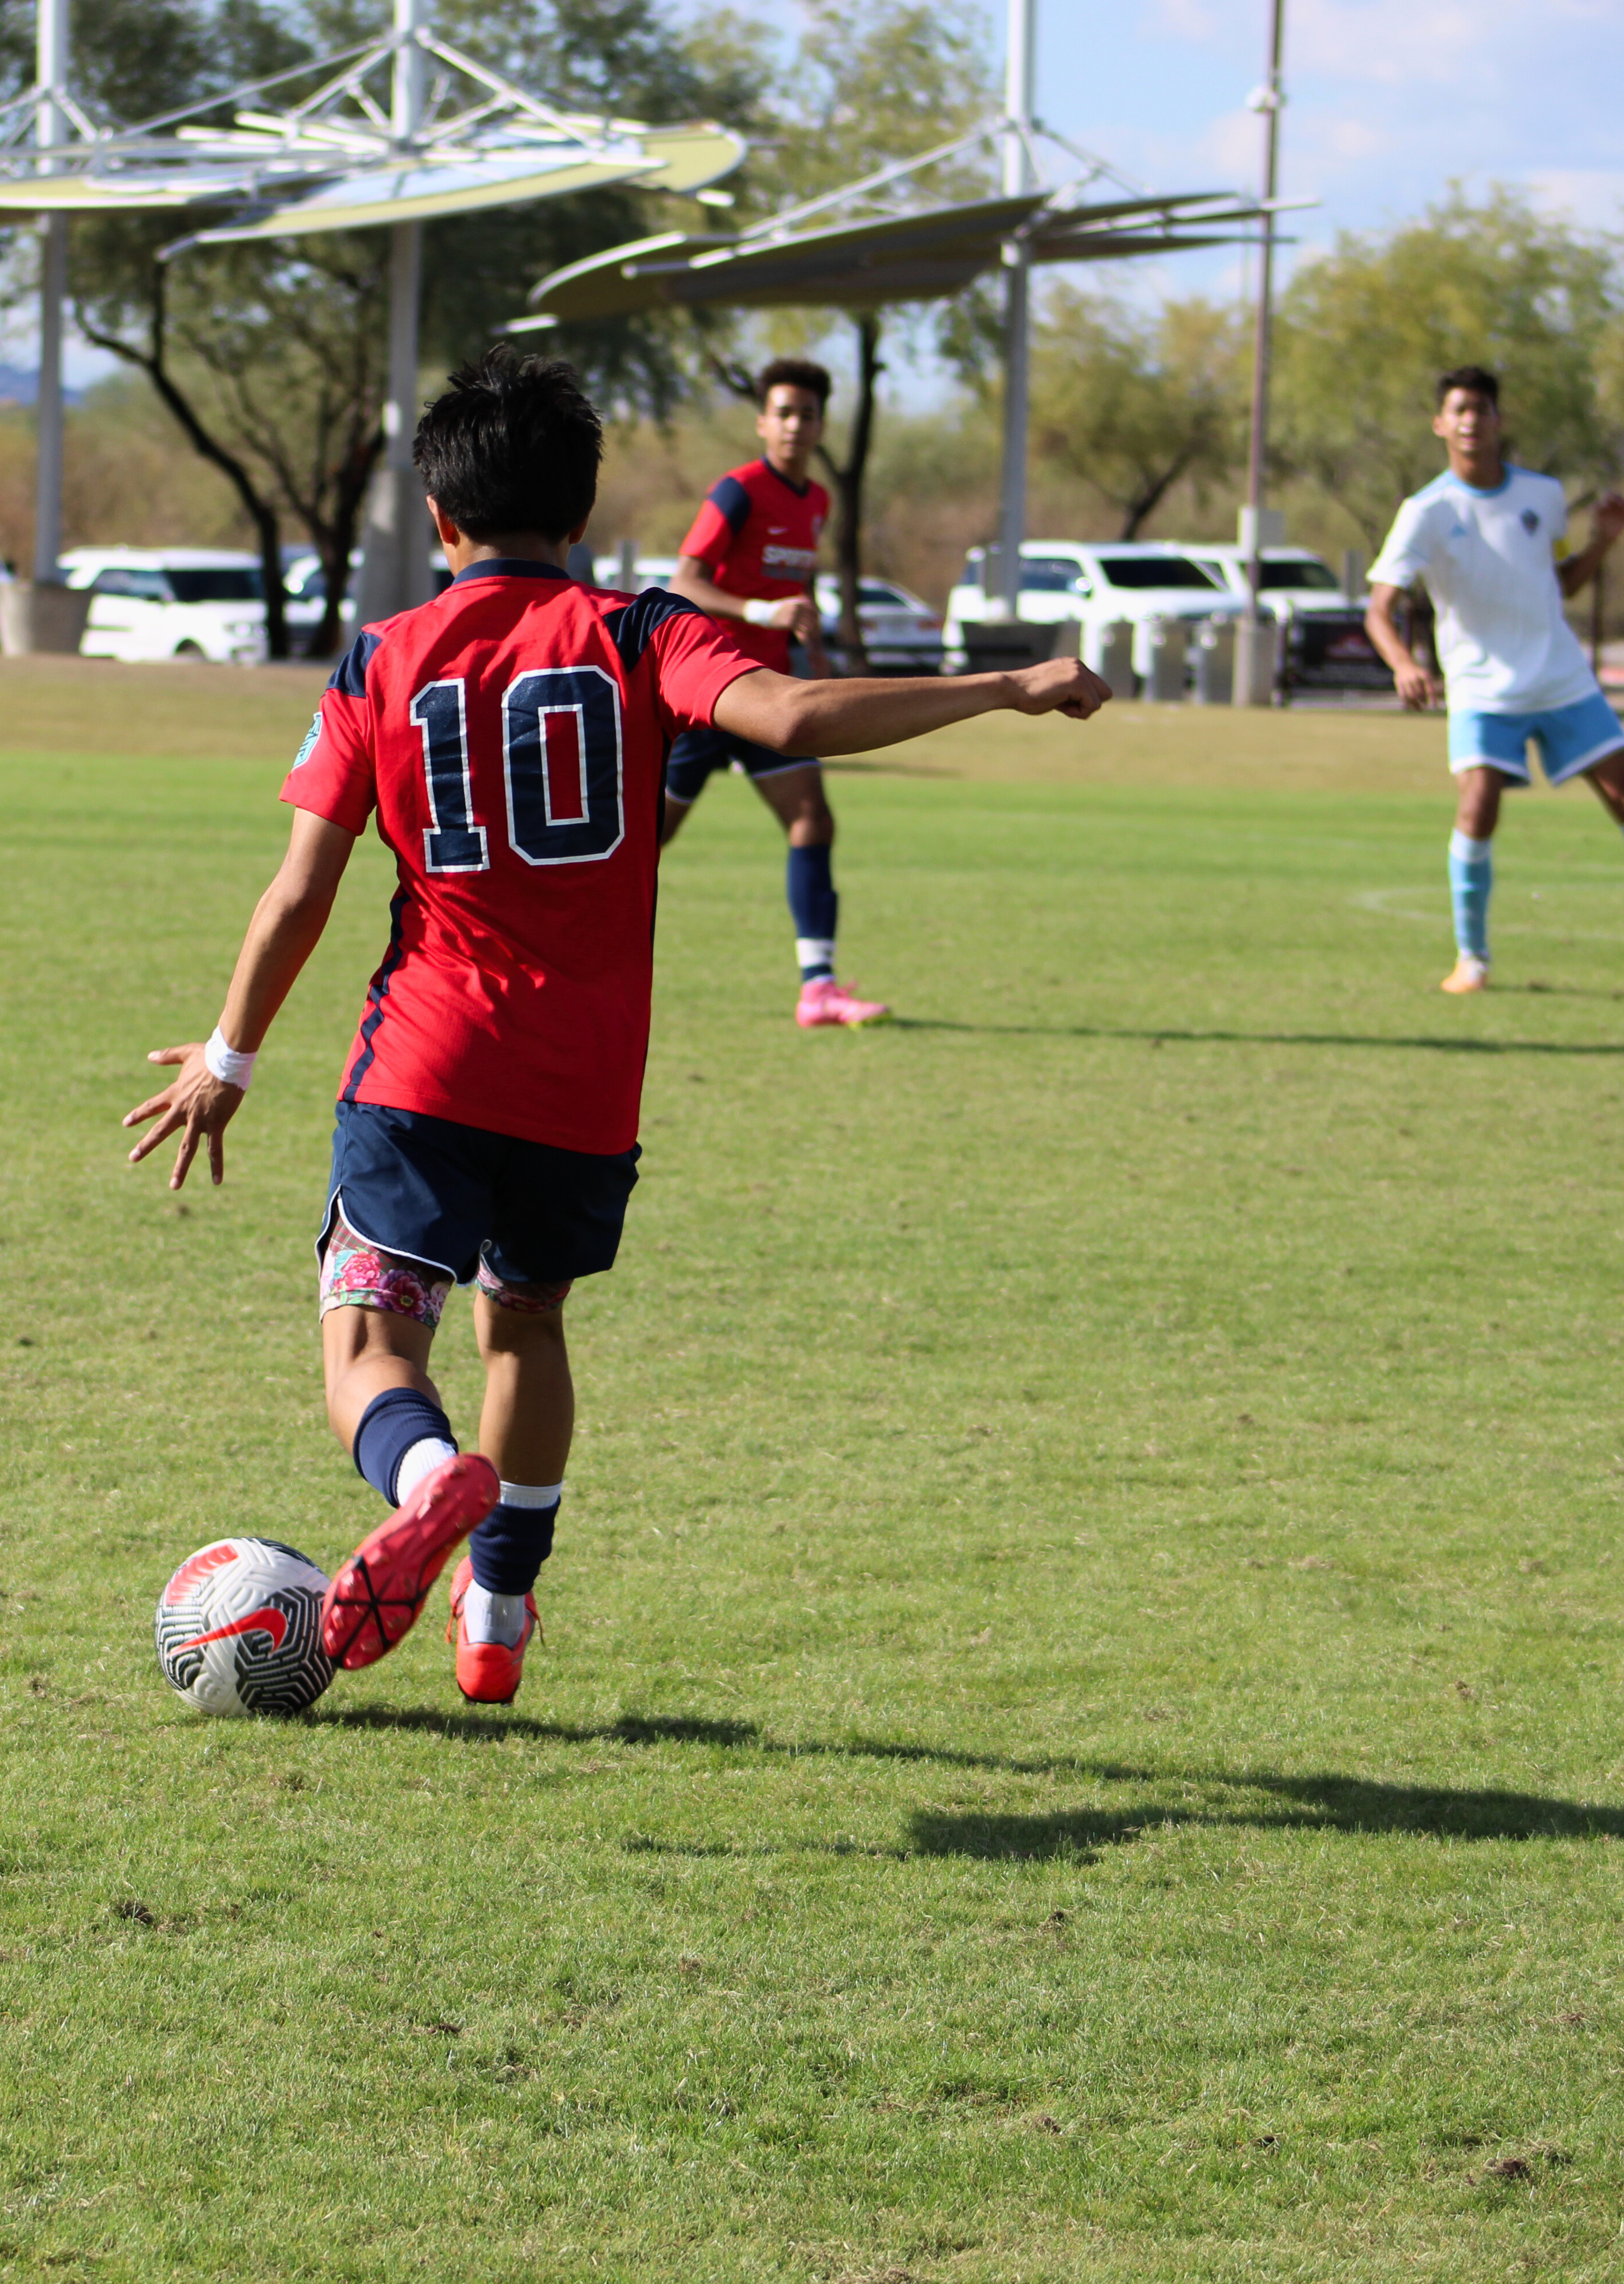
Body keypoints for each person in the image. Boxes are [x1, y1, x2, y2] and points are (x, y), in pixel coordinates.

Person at [121, 347, 1107, 1707]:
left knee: (371, 1343)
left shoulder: (386, 656)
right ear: (579, 518)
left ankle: (426, 1477)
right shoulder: (643, 633)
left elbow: (302, 887)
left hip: (425, 1059)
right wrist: (1003, 687)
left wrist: (230, 1056)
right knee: (524, 1321)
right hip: (584, 1085)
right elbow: (799, 711)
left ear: (439, 517)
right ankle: (500, 1605)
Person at [1364, 366, 1624, 999]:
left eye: (1482, 408)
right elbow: (1379, 608)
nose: (1470, 420)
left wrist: (1603, 543)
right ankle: (1472, 960)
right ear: (1439, 424)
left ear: (1499, 421)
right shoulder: (1426, 511)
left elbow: (1560, 583)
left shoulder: (1542, 495)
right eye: (1458, 409)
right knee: (1478, 804)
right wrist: (1404, 663)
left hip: (1561, 677)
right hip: (1482, 686)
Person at [658, 358, 890, 1027]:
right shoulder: (736, 491)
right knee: (644, 841)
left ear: (821, 426)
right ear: (763, 422)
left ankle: (819, 987)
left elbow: (797, 588)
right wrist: (762, 614)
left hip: (767, 695)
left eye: (808, 414)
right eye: (783, 412)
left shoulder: (816, 501)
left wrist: (809, 642)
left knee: (812, 816)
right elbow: (683, 583)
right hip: (705, 687)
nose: (795, 424)